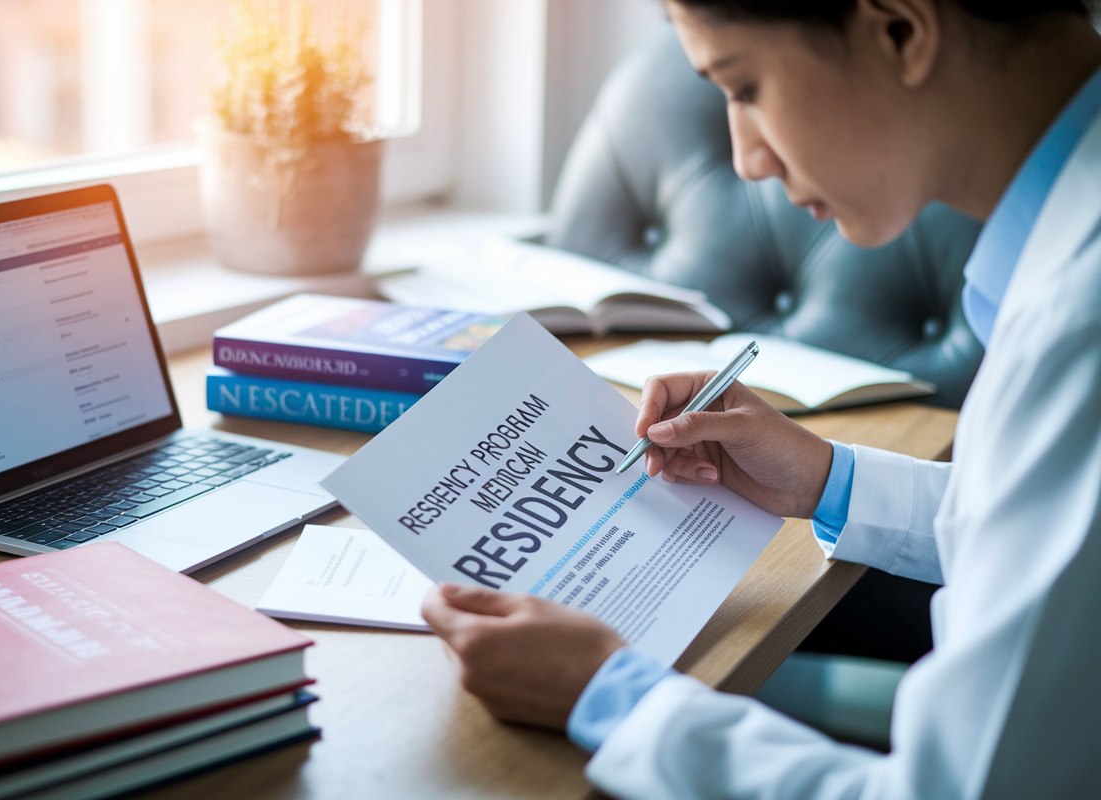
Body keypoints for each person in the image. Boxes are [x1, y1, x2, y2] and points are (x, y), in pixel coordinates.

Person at [420, 0, 1101, 796]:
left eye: (743, 88)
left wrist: (609, 694)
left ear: (901, 32)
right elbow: (1056, 534)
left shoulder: (1078, 324)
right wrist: (826, 479)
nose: (746, 160)